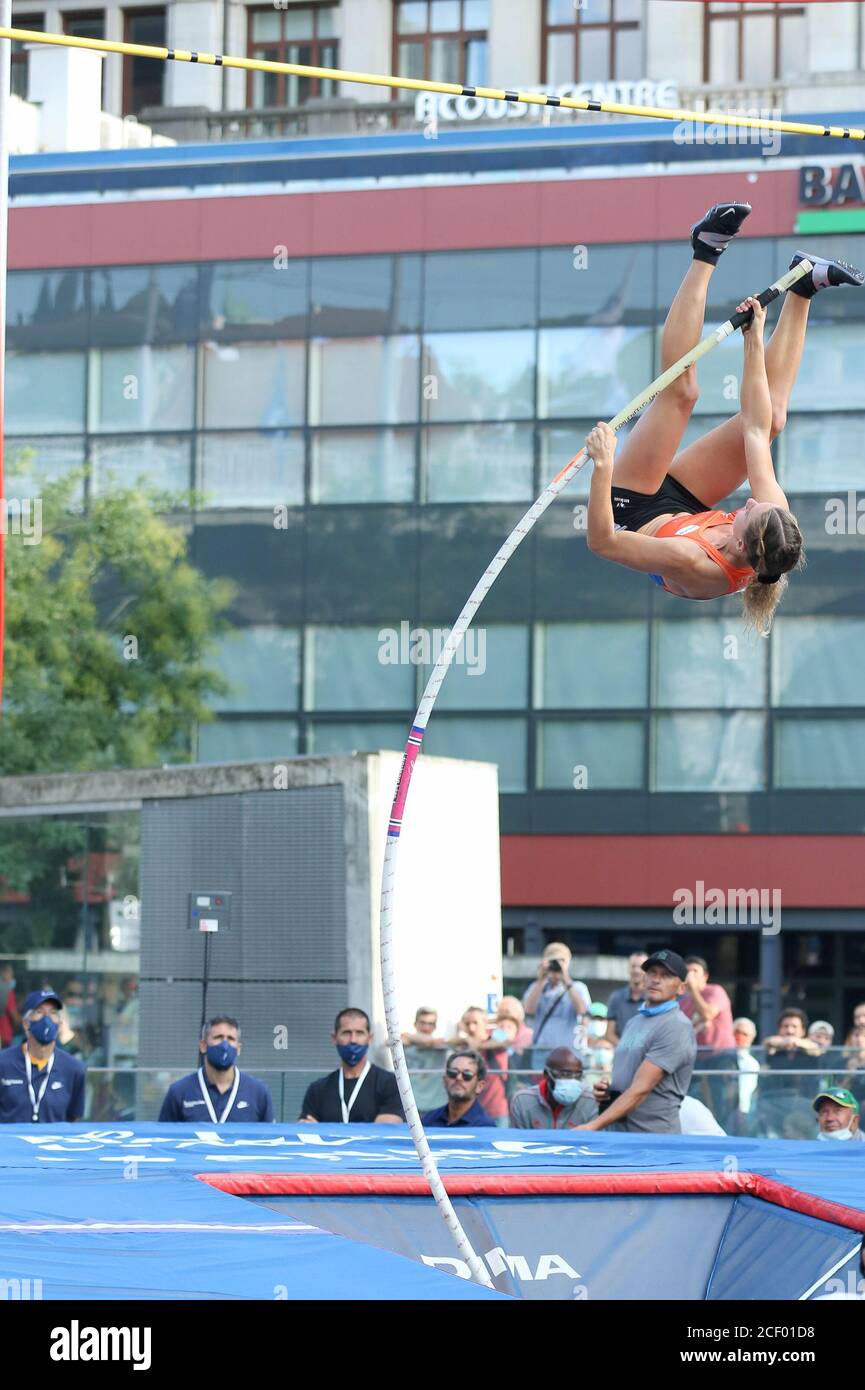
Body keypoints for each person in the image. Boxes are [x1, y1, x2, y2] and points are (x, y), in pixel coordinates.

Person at [584, 200, 862, 632]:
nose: (748, 501)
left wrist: (603, 464)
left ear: (738, 542)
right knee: (773, 422)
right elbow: (753, 424)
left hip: (632, 513)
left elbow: (601, 542)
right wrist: (753, 341)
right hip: (686, 509)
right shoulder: (772, 522)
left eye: (746, 513)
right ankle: (806, 282)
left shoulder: (693, 561)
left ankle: (706, 247)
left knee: (681, 391)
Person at [575, 950, 697, 1135]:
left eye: (665, 975)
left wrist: (593, 1126)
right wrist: (610, 1092)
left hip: (653, 1140)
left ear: (681, 988)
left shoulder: (677, 1026)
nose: (656, 979)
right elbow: (629, 1080)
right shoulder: (634, 1021)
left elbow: (641, 1089)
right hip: (621, 1134)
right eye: (652, 973)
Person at [159, 1016, 273, 1123]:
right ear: (203, 1045)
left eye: (231, 1038)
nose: (225, 1045)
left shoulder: (259, 1092)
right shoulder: (179, 1091)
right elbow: (163, 1138)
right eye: (218, 1037)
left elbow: (270, 1139)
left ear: (238, 1049)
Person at [300, 1007, 403, 1124]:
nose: (353, 1040)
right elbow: (306, 1129)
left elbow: (385, 1130)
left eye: (359, 1033)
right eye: (346, 1033)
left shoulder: (390, 1083)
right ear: (334, 1038)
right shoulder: (317, 1089)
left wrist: (323, 1129)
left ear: (370, 1038)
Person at [0, 988, 86, 1123]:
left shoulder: (74, 1069)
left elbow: (73, 1118)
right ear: (26, 1023)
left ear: (60, 1023)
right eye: (39, 1012)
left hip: (53, 1143)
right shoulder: (3, 1063)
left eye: (53, 1013)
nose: (47, 1019)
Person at [759, 1007, 823, 1137]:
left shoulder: (809, 1052)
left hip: (804, 1105)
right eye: (785, 1026)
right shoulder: (774, 1053)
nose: (789, 1030)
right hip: (776, 1105)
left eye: (794, 1026)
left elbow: (818, 1049)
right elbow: (765, 1044)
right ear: (779, 1030)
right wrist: (781, 1043)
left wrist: (795, 1042)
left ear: (803, 1031)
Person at [522, 942, 591, 1057]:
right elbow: (528, 1011)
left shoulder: (578, 988)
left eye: (561, 961)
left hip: (568, 1053)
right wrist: (541, 980)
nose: (556, 965)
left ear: (568, 963)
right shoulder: (536, 987)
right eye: (553, 961)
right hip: (541, 1052)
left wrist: (566, 980)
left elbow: (583, 1011)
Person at [509, 1047, 597, 1130]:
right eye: (565, 1074)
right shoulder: (523, 1101)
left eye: (578, 1075)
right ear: (546, 1075)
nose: (572, 1080)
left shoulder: (589, 1102)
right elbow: (518, 1142)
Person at [422, 1050, 495, 1128]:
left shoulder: (485, 1126)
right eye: (453, 1072)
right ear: (444, 1080)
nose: (458, 1078)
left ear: (479, 1086)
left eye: (467, 1075)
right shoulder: (428, 1121)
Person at [401, 1006, 448, 1112]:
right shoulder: (404, 1043)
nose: (426, 1028)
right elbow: (388, 1041)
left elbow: (462, 1042)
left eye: (430, 1024)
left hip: (437, 1105)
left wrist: (411, 1037)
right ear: (415, 1024)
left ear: (435, 1027)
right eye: (422, 1023)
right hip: (411, 1106)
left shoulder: (441, 1045)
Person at [605, 953, 646, 1046]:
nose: (636, 970)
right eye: (633, 966)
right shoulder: (616, 997)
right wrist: (625, 1050)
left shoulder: (654, 999)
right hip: (622, 1055)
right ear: (628, 969)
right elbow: (609, 1034)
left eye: (640, 967)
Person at [730, 1017, 761, 1134]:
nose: (739, 1037)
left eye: (745, 1034)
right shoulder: (720, 1058)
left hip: (742, 1112)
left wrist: (743, 1111)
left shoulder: (751, 1063)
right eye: (736, 1032)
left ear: (751, 1039)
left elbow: (746, 1090)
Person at [0, 964, 20, 1048]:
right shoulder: (7, 991)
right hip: (4, 1034)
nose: (12, 977)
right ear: (3, 973)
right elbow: (13, 1014)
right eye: (10, 974)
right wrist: (24, 1022)